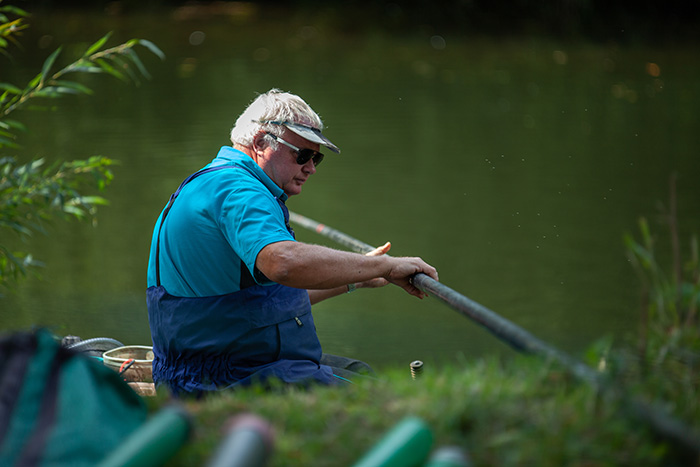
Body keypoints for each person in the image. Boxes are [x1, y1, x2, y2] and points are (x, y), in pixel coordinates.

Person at [146, 89, 439, 394]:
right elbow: (283, 263)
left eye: (317, 158)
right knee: (379, 396)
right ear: (260, 142)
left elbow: (266, 302)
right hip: (222, 377)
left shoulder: (217, 181)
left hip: (225, 362)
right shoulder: (238, 190)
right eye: (303, 155)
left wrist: (363, 275)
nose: (311, 168)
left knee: (357, 371)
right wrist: (386, 265)